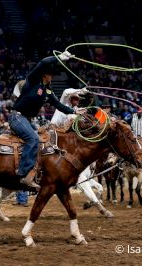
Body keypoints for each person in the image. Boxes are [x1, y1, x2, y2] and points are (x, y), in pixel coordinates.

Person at [10, 51, 85, 190]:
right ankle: (23, 173)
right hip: (17, 117)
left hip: (25, 119)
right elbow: (43, 63)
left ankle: (35, 171)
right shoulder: (32, 82)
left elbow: (59, 105)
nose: (52, 77)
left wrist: (74, 111)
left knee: (45, 141)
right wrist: (58, 57)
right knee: (33, 139)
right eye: (51, 74)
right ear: (45, 74)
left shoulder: (48, 91)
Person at [50, 88, 112, 217]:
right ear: (70, 99)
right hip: (53, 135)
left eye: (77, 100)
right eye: (74, 99)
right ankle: (100, 207)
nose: (76, 102)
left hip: (63, 139)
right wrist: (82, 90)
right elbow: (66, 91)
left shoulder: (75, 111)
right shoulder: (63, 104)